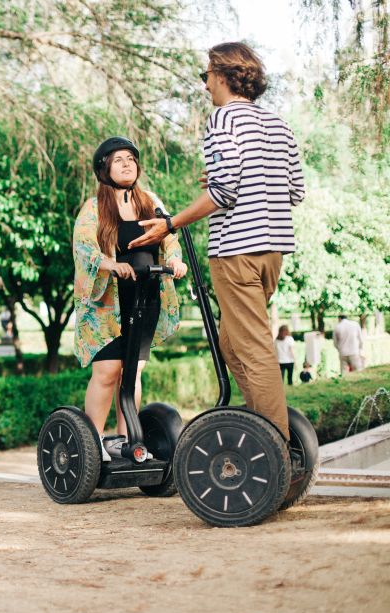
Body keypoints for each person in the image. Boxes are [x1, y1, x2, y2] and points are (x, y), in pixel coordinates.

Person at [130, 42, 306, 440]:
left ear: (224, 74)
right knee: (230, 342)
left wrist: (169, 224)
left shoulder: (222, 121)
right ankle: (259, 423)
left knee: (253, 350)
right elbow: (293, 190)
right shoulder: (278, 124)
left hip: (237, 252)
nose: (205, 83)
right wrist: (237, 181)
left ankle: (274, 446)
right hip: (271, 252)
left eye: (206, 74)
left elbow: (224, 193)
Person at [73, 137, 188, 462]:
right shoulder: (95, 206)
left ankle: (126, 440)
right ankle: (93, 442)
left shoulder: (150, 200)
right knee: (108, 372)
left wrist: (176, 261)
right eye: (118, 159)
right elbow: (83, 245)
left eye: (131, 159)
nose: (127, 163)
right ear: (104, 168)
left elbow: (170, 236)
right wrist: (109, 264)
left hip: (146, 296)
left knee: (133, 373)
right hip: (108, 305)